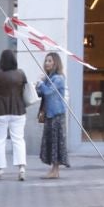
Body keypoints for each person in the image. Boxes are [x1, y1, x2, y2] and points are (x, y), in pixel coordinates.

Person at [0, 48, 28, 180]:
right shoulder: (20, 74)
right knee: (18, 139)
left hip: (0, 111)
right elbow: (25, 89)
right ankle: (21, 168)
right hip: (18, 110)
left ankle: (0, 170)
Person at [36, 52, 68, 180]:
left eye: (50, 61)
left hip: (57, 115)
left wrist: (41, 84)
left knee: (56, 142)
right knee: (50, 142)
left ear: (56, 63)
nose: (47, 63)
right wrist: (39, 86)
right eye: (46, 61)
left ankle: (56, 170)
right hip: (49, 114)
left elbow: (49, 92)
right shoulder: (49, 78)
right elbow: (41, 94)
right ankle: (53, 170)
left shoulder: (58, 78)